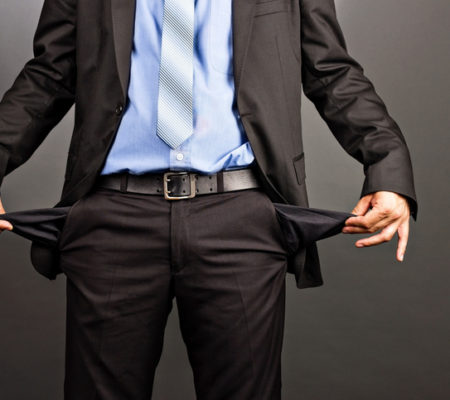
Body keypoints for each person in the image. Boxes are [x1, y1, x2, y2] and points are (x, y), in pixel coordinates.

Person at [0, 0, 417, 399]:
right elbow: (48, 75)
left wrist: (388, 167)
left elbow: (331, 71)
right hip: (114, 220)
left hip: (240, 221)